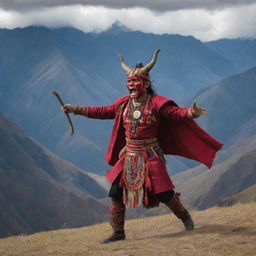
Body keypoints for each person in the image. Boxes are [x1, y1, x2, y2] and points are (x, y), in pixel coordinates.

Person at [63, 49, 222, 243]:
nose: (131, 84)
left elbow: (175, 113)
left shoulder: (156, 103)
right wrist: (75, 109)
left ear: (145, 84)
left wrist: (191, 112)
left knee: (165, 194)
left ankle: (185, 217)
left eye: (135, 81)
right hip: (128, 155)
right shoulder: (123, 104)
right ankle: (118, 233)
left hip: (150, 154)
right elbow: (102, 111)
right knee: (115, 194)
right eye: (129, 82)